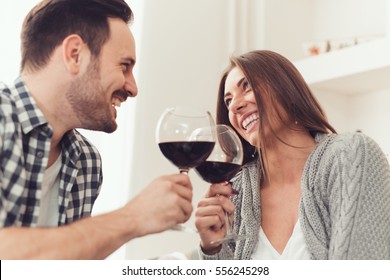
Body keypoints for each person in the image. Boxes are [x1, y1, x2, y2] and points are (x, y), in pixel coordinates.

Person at [0, 0, 193, 259]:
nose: (133, 88)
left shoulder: (86, 161)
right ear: (75, 55)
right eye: (124, 66)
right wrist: (132, 217)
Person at [195, 50, 390, 259]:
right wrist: (212, 248)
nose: (235, 105)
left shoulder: (350, 156)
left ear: (285, 87)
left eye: (247, 86)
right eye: (228, 101)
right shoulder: (236, 193)